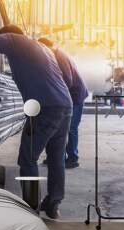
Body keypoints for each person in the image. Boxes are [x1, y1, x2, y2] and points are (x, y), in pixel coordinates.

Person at [0, 25, 72, 219]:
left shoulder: (16, 41)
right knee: (56, 158)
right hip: (64, 106)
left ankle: (32, 207)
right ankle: (53, 204)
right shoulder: (40, 48)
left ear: (7, 36)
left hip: (44, 109)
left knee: (27, 158)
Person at [38, 38, 89, 169]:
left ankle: (72, 158)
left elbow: (67, 80)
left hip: (75, 97)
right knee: (56, 127)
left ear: (46, 47)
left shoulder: (59, 56)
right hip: (66, 97)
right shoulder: (53, 55)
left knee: (71, 128)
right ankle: (55, 157)